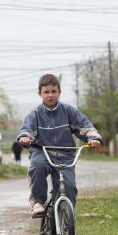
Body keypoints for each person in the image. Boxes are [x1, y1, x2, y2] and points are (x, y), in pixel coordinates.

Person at [17, 74, 102, 217]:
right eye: (46, 92)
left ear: (59, 92)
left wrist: (93, 138)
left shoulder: (69, 111)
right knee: (37, 166)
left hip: (65, 155)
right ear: (40, 94)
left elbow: (85, 127)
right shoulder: (35, 114)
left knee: (68, 186)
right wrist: (25, 138)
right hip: (42, 152)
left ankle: (67, 222)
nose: (50, 95)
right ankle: (38, 202)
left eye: (53, 91)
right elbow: (26, 130)